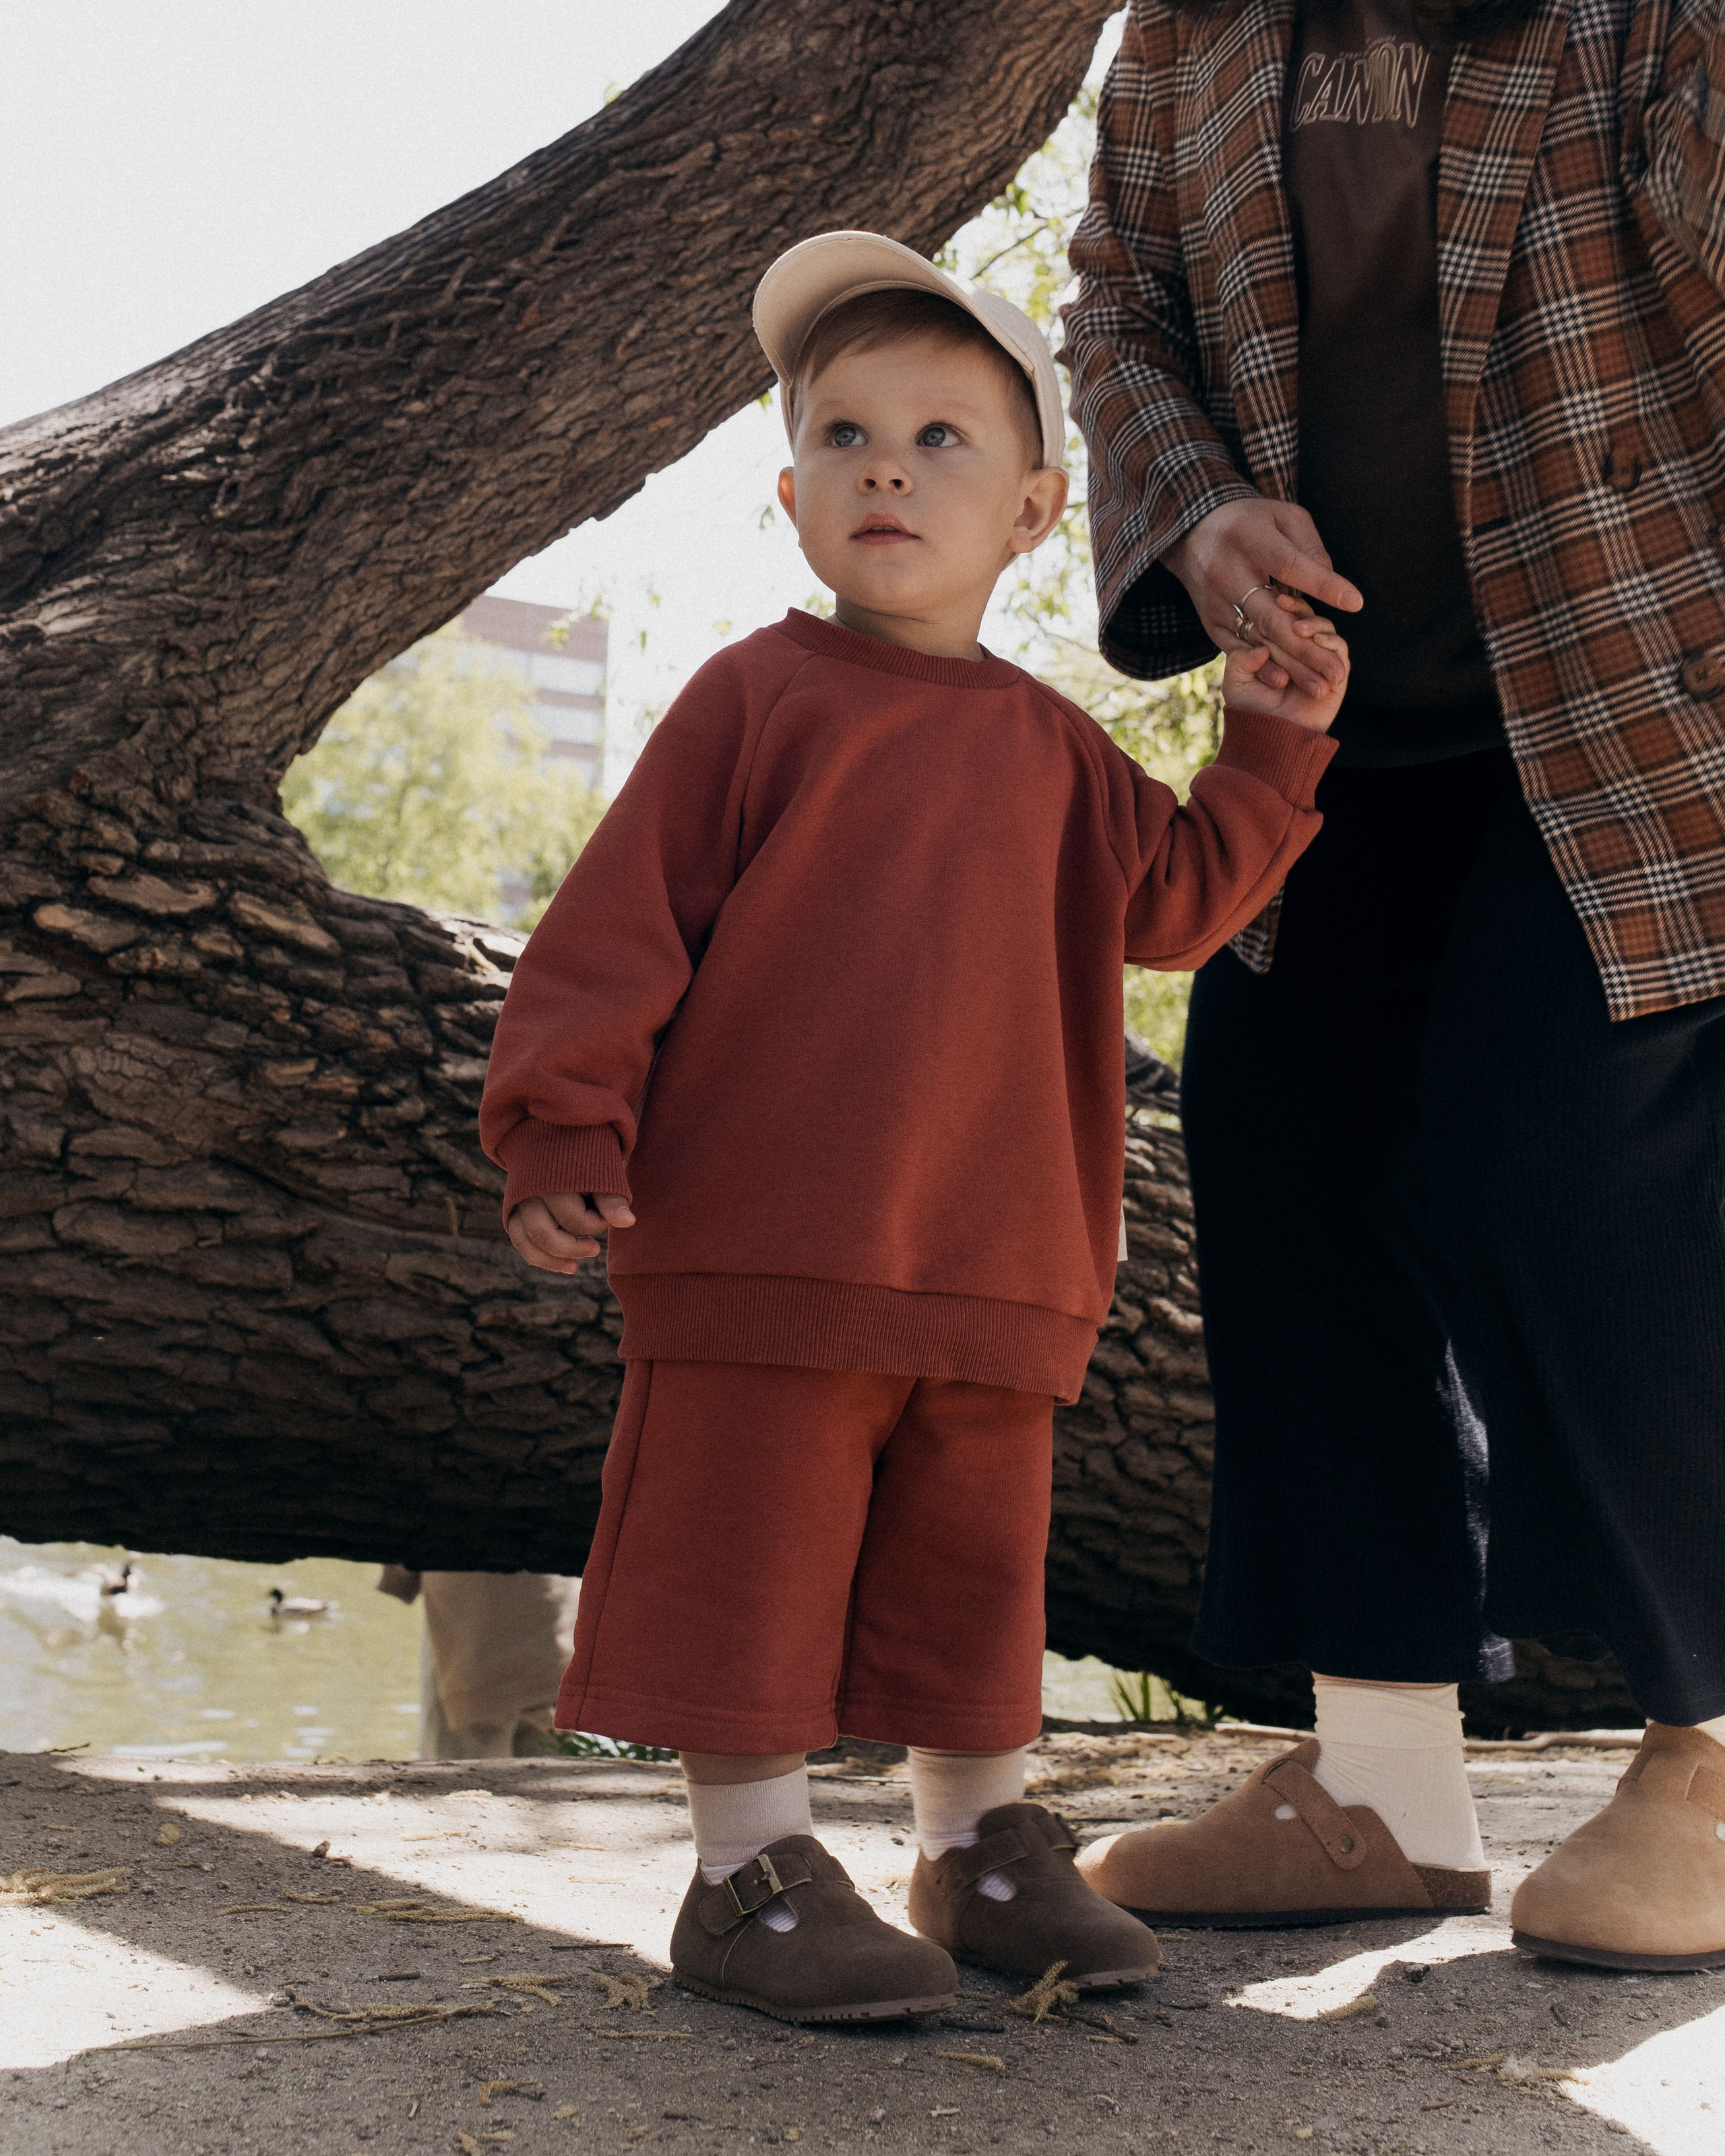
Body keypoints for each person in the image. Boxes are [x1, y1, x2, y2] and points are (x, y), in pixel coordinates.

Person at [478, 229, 1350, 2023]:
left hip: (995, 1258)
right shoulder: (754, 703)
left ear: (1034, 511)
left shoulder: (1050, 750)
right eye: (845, 436)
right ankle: (747, 1875)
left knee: (973, 1579)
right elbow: (614, 934)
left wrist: (1265, 747)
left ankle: (980, 1849)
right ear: (788, 493)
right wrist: (562, 1129)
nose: (888, 465)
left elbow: (1177, 904)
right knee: (750, 1557)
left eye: (941, 438)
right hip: (758, 1248)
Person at [1061, 0, 1725, 1971]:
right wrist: (1191, 513)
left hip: (1642, 704)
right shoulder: (1187, 38)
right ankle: (1378, 1778)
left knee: (1555, 1153)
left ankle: (1712, 1755)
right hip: (1343, 728)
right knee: (1281, 1136)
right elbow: (1120, 308)